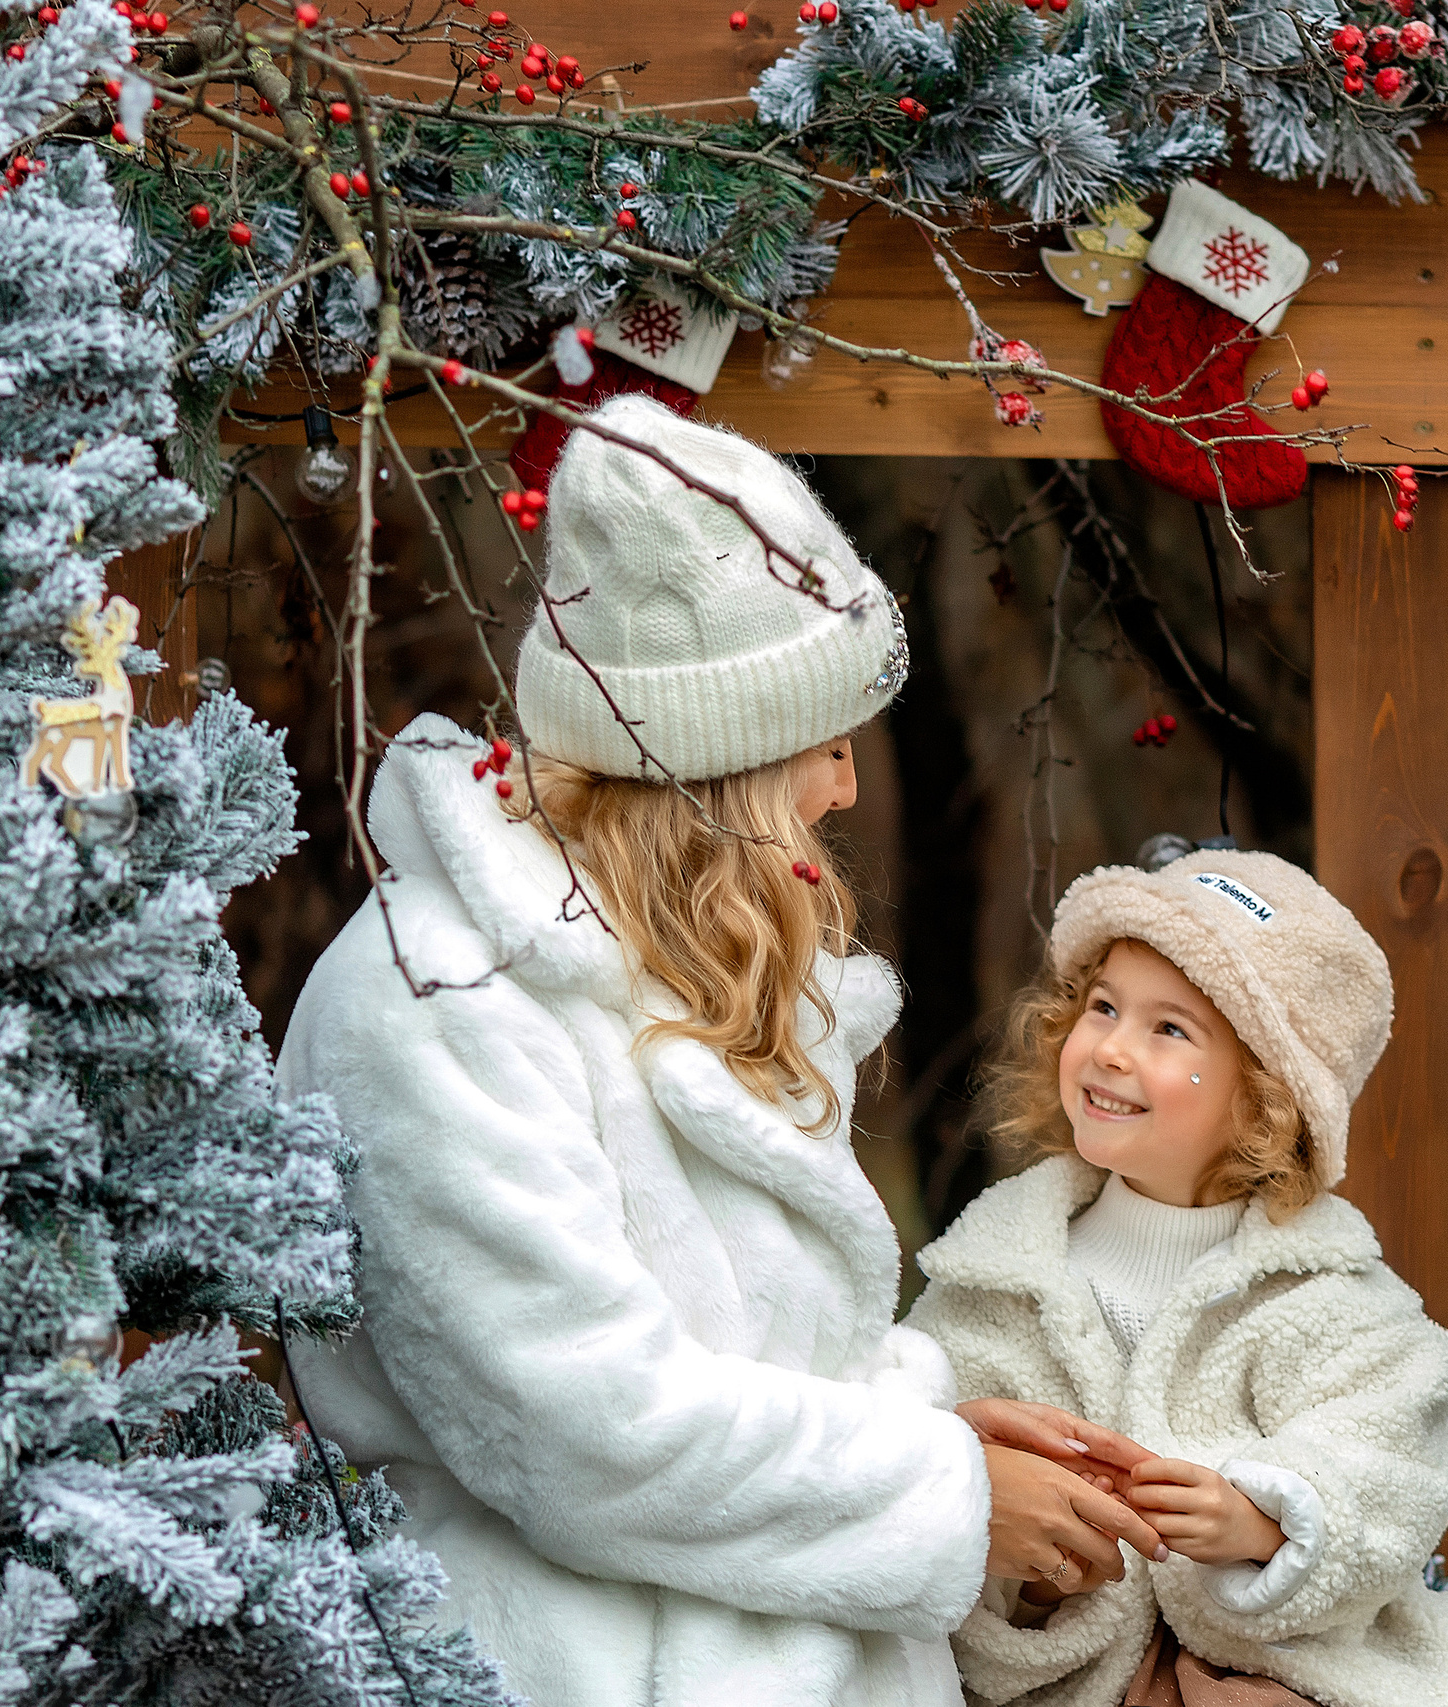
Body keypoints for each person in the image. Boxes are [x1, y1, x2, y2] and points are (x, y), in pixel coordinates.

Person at [279, 394, 1161, 1707]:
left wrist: (933, 1430)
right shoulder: (439, 997)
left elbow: (759, 1360)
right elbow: (584, 1427)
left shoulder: (689, 964)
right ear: (713, 762)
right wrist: (945, 1495)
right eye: (821, 742)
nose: (848, 786)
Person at [904, 849, 1448, 1707]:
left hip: (1276, 1674)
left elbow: (1391, 1462)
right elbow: (922, 1476)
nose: (1113, 1048)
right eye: (1104, 1006)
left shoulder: (1329, 1297)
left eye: (1169, 1029)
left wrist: (1261, 1522)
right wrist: (1037, 1582)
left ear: (1263, 1093)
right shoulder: (991, 1279)